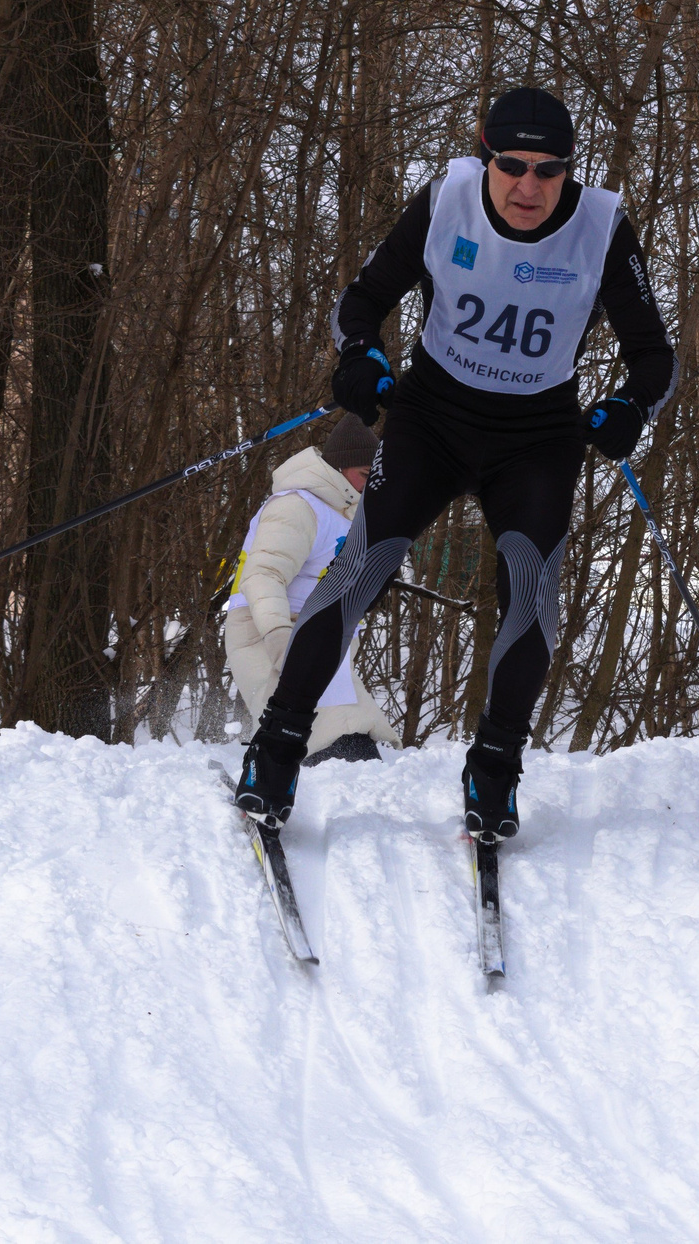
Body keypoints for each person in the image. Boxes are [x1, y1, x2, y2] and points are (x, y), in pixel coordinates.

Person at [236, 86, 675, 841]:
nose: (530, 186)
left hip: (537, 435)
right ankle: (275, 752)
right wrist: (361, 359)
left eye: (549, 170)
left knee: (532, 598)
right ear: (486, 157)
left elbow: (655, 356)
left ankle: (494, 771)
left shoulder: (603, 227)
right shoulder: (447, 200)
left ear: (570, 170)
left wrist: (629, 407)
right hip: (433, 419)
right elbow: (362, 299)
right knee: (358, 573)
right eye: (512, 166)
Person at [222, 412, 401, 765]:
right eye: (365, 474)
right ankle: (270, 792)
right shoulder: (297, 506)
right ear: (339, 468)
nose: (369, 485)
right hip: (265, 631)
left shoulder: (347, 512)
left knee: (356, 730)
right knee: (323, 734)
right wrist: (278, 636)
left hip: (315, 636)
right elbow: (263, 575)